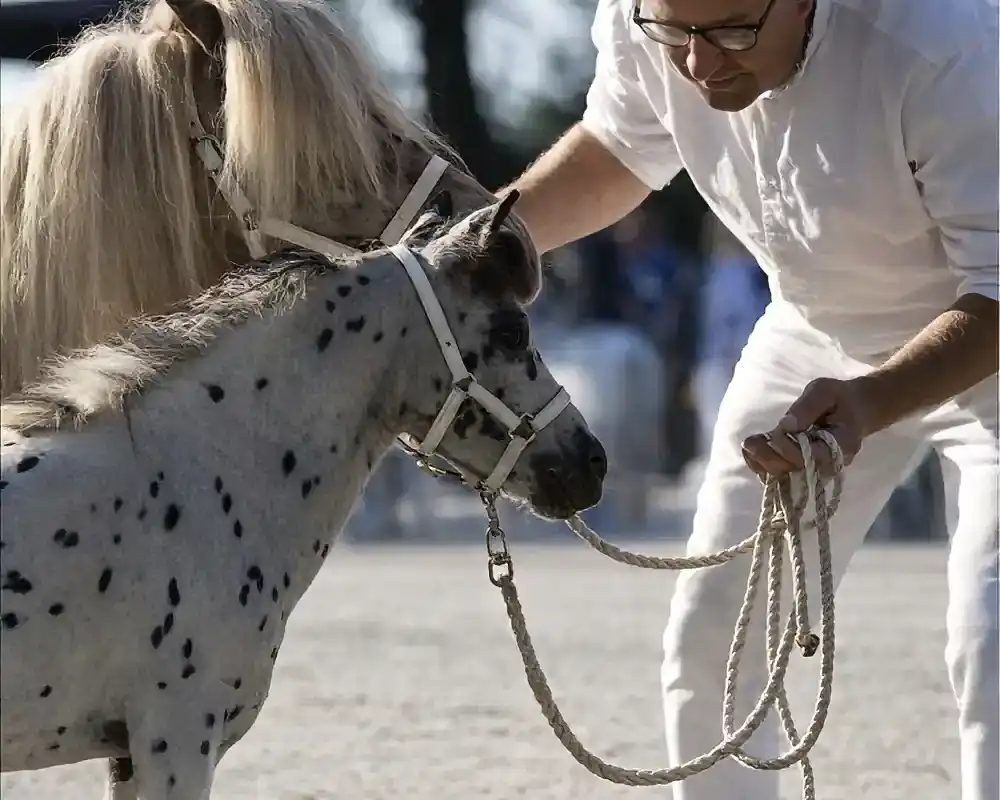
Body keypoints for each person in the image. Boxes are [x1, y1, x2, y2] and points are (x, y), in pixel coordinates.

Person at [498, 1, 999, 799]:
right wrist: (480, 246)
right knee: (717, 632)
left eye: (734, 29)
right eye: (674, 33)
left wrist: (872, 401)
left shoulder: (943, 45)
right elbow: (621, 147)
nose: (699, 65)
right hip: (813, 328)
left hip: (985, 335)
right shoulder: (644, 15)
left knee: (991, 643)